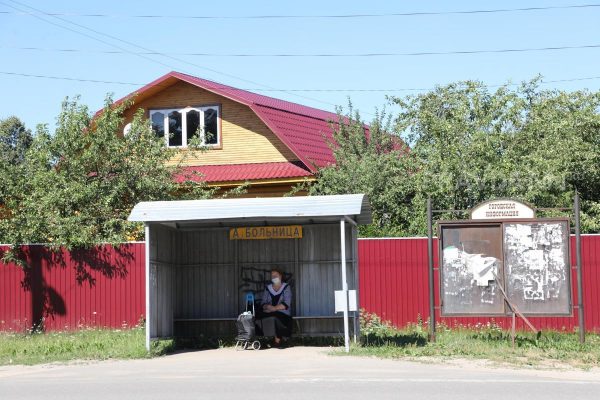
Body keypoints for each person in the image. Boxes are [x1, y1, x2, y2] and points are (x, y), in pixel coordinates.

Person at [255, 268, 293, 347]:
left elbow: (286, 304)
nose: (274, 277)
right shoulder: (268, 288)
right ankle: (261, 339)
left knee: (276, 317)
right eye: (272, 276)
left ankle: (277, 342)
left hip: (282, 313)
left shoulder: (286, 287)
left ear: (280, 276)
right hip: (269, 311)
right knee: (257, 315)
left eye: (276, 275)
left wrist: (274, 308)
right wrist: (267, 306)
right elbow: (263, 303)